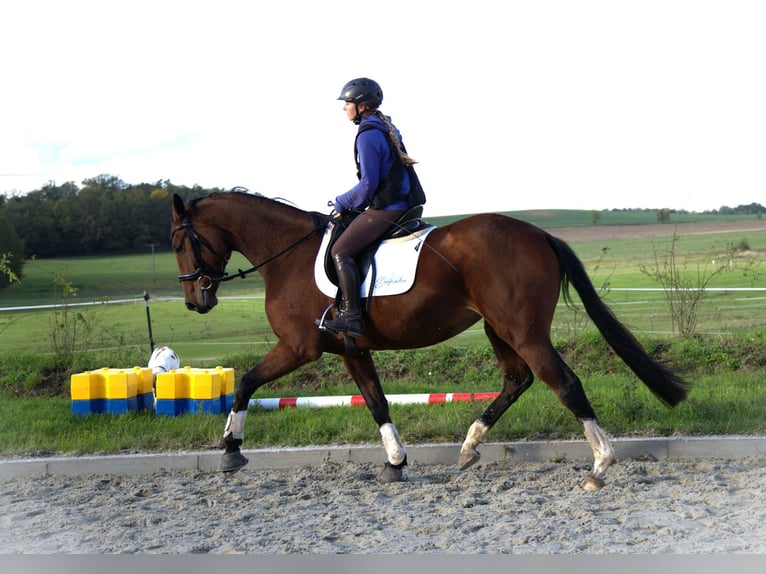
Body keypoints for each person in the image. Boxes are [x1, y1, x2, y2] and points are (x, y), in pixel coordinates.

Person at [320, 77, 419, 338]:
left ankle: (352, 316)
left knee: (341, 249)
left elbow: (368, 185)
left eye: (348, 103)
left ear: (361, 106)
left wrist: (342, 201)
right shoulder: (386, 127)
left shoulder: (367, 135)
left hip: (389, 207)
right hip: (404, 203)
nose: (344, 108)